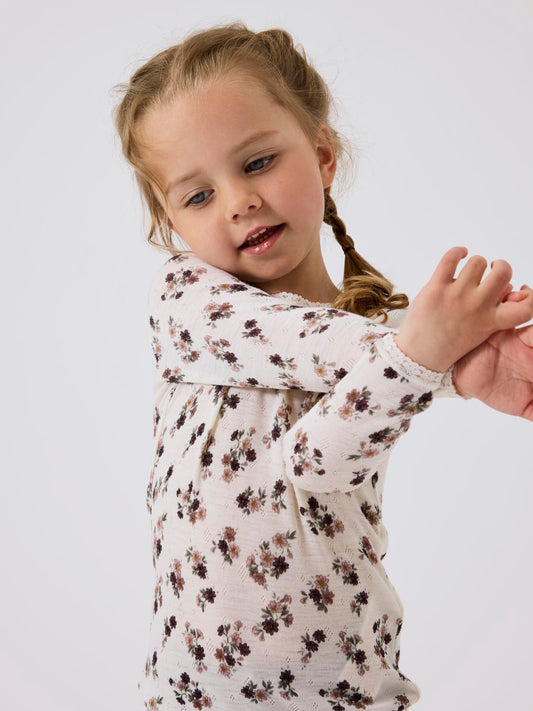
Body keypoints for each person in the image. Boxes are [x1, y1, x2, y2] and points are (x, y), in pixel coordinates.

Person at [112, 22, 533, 710]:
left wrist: (450, 356)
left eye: (255, 163)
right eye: (196, 196)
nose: (237, 200)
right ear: (170, 223)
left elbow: (315, 462)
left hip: (349, 690)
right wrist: (436, 357)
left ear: (322, 154)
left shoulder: (382, 359)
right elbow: (297, 339)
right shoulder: (184, 302)